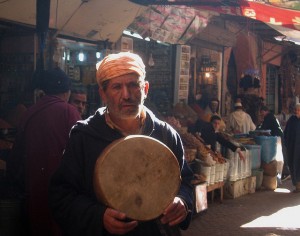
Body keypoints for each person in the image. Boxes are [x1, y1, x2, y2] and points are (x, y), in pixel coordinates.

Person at [49, 52, 194, 236]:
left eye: (133, 85)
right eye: (117, 87)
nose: (126, 95)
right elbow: (61, 197)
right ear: (103, 93)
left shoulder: (165, 134)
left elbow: (186, 182)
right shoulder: (84, 137)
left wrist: (183, 201)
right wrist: (98, 217)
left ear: (146, 88)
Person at [7, 67, 81, 236]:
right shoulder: (70, 112)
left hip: (35, 195)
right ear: (67, 91)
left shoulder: (30, 113)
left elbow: (15, 160)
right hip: (64, 197)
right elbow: (81, 156)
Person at [284, 103, 300, 193]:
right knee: (293, 164)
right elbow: (286, 133)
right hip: (293, 148)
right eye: (296, 110)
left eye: (299, 110)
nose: (297, 112)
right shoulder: (292, 120)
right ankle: (297, 185)